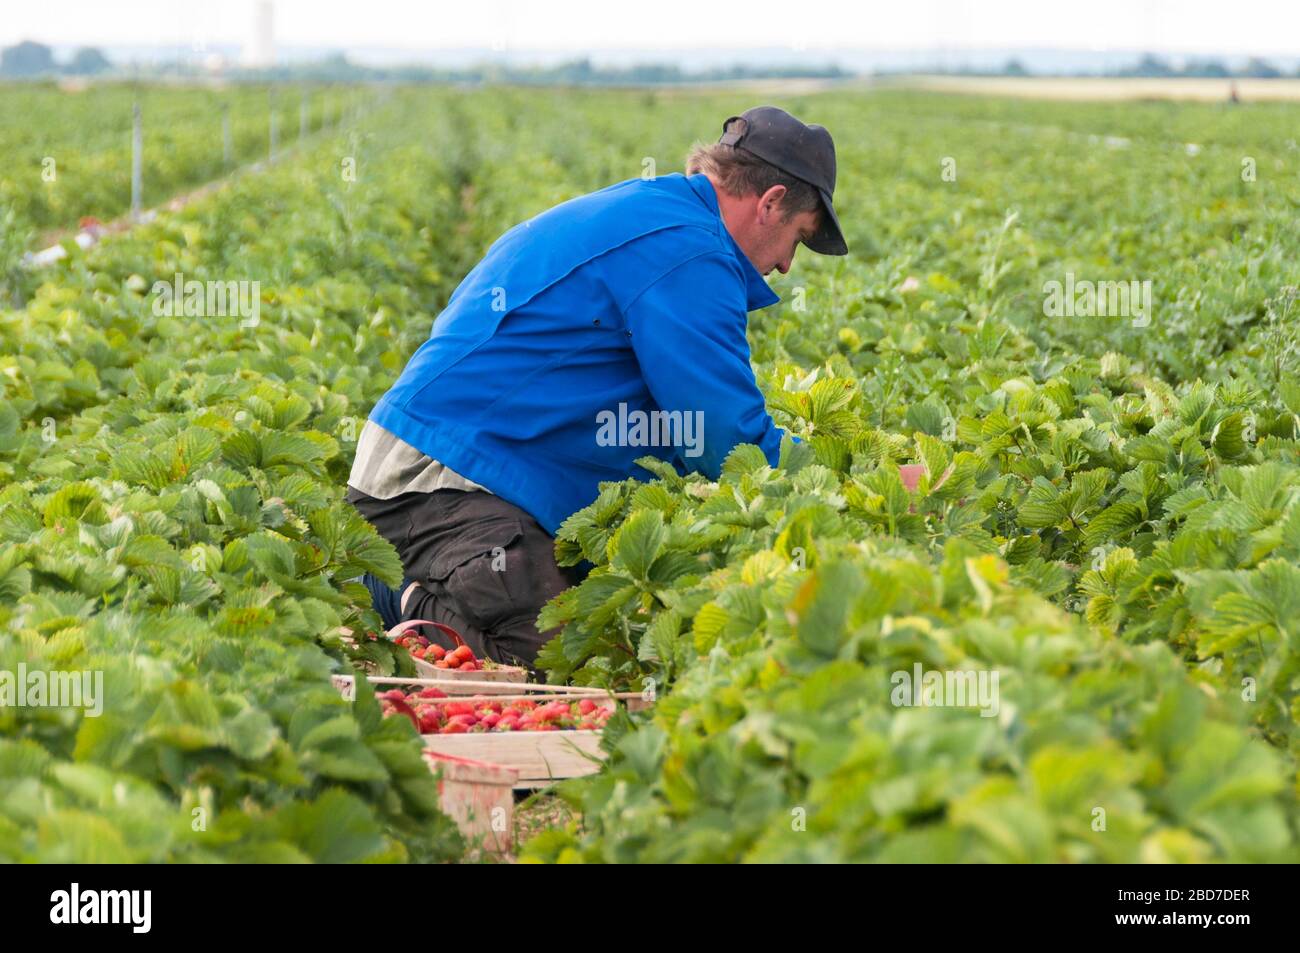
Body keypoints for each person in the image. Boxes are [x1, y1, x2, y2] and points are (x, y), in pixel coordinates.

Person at [349, 105, 848, 668]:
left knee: (595, 622)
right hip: (434, 484)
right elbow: (723, 439)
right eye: (798, 241)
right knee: (557, 657)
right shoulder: (687, 251)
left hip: (461, 472)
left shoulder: (655, 215)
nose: (785, 266)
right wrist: (839, 485)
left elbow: (678, 427)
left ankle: (425, 577)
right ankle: (392, 590)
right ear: (771, 201)